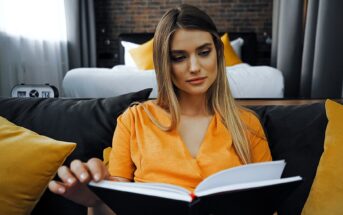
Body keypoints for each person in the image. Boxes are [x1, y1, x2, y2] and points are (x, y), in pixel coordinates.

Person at [48, 4, 272, 215]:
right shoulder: (134, 120)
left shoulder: (247, 124)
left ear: (218, 54)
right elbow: (114, 209)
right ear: (165, 63)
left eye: (204, 52)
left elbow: (267, 206)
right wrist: (96, 201)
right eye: (179, 57)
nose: (194, 67)